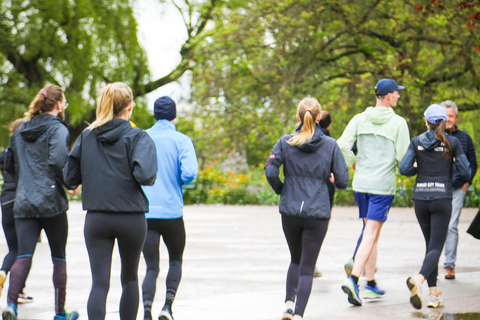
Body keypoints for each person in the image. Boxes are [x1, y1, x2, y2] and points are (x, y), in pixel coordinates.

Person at [63, 82, 157, 320]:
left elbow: (69, 178)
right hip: (131, 218)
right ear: (130, 108)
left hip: (97, 219)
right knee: (130, 278)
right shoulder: (138, 137)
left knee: (99, 284)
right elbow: (146, 176)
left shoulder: (86, 137)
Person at [265, 97, 349, 320]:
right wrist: (331, 180)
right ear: (320, 118)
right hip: (317, 211)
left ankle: (288, 306)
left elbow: (271, 172)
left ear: (297, 117)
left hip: (290, 210)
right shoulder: (330, 145)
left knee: (295, 259)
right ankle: (299, 314)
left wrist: (282, 189)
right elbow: (343, 180)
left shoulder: (285, 142)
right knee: (307, 267)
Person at [2, 85, 79, 320]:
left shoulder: (20, 131)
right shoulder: (58, 129)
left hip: (24, 202)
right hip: (51, 202)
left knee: (23, 255)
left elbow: (9, 165)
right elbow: (57, 160)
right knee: (59, 258)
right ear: (58, 104)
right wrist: (70, 183)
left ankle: (11, 305)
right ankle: (59, 313)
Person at [337, 78, 410, 306]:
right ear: (388, 96)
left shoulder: (360, 119)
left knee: (372, 233)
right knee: (371, 234)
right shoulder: (398, 123)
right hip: (381, 186)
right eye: (396, 93)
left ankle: (370, 283)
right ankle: (354, 280)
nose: (399, 96)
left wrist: (355, 163)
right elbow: (403, 158)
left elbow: (341, 145)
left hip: (361, 184)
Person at [399, 104, 470, 309]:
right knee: (436, 247)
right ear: (443, 122)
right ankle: (419, 280)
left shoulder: (416, 141)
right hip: (442, 199)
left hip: (420, 199)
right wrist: (454, 162)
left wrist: (419, 167)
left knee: (431, 247)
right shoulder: (452, 143)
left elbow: (404, 168)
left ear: (426, 121)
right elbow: (465, 173)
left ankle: (433, 295)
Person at [141, 96, 198, 320]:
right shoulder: (181, 140)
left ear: (154, 115)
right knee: (175, 259)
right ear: (175, 116)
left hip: (145, 213)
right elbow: (189, 173)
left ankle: (146, 310)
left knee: (151, 267)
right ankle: (167, 306)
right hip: (172, 213)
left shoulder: (142, 137)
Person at [441, 100, 477, 280]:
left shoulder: (464, 138)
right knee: (436, 227)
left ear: (457, 117)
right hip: (438, 188)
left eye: (452, 116)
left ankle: (449, 265)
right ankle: (431, 265)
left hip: (457, 188)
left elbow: (473, 163)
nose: (449, 119)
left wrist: (466, 183)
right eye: (446, 115)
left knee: (451, 226)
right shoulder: (434, 135)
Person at [0, 118, 34, 304]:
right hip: (21, 203)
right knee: (24, 252)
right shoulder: (26, 155)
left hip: (5, 203)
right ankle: (19, 291)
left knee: (13, 248)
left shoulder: (5, 154)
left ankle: (3, 272)